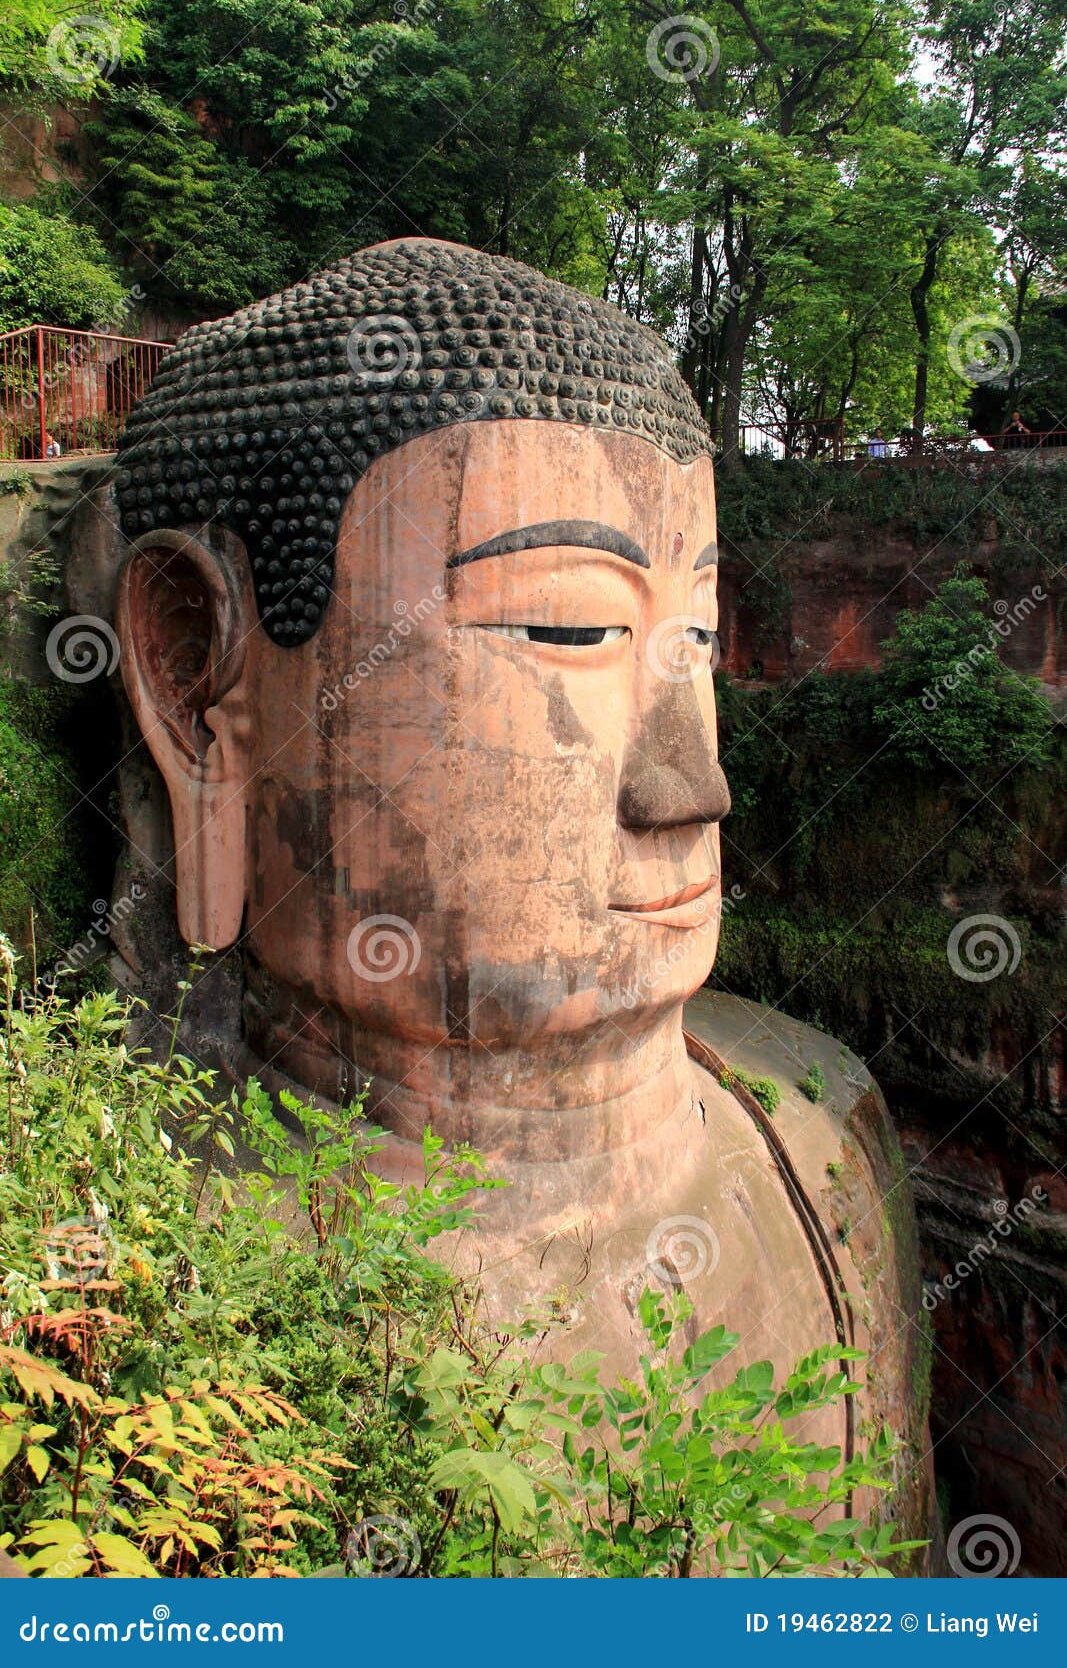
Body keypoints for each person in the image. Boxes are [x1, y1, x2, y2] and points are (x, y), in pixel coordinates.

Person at [106, 240, 931, 1543]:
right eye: (566, 627)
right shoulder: (119, 1281)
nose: (691, 783)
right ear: (203, 684)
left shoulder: (819, 1134)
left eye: (699, 642)